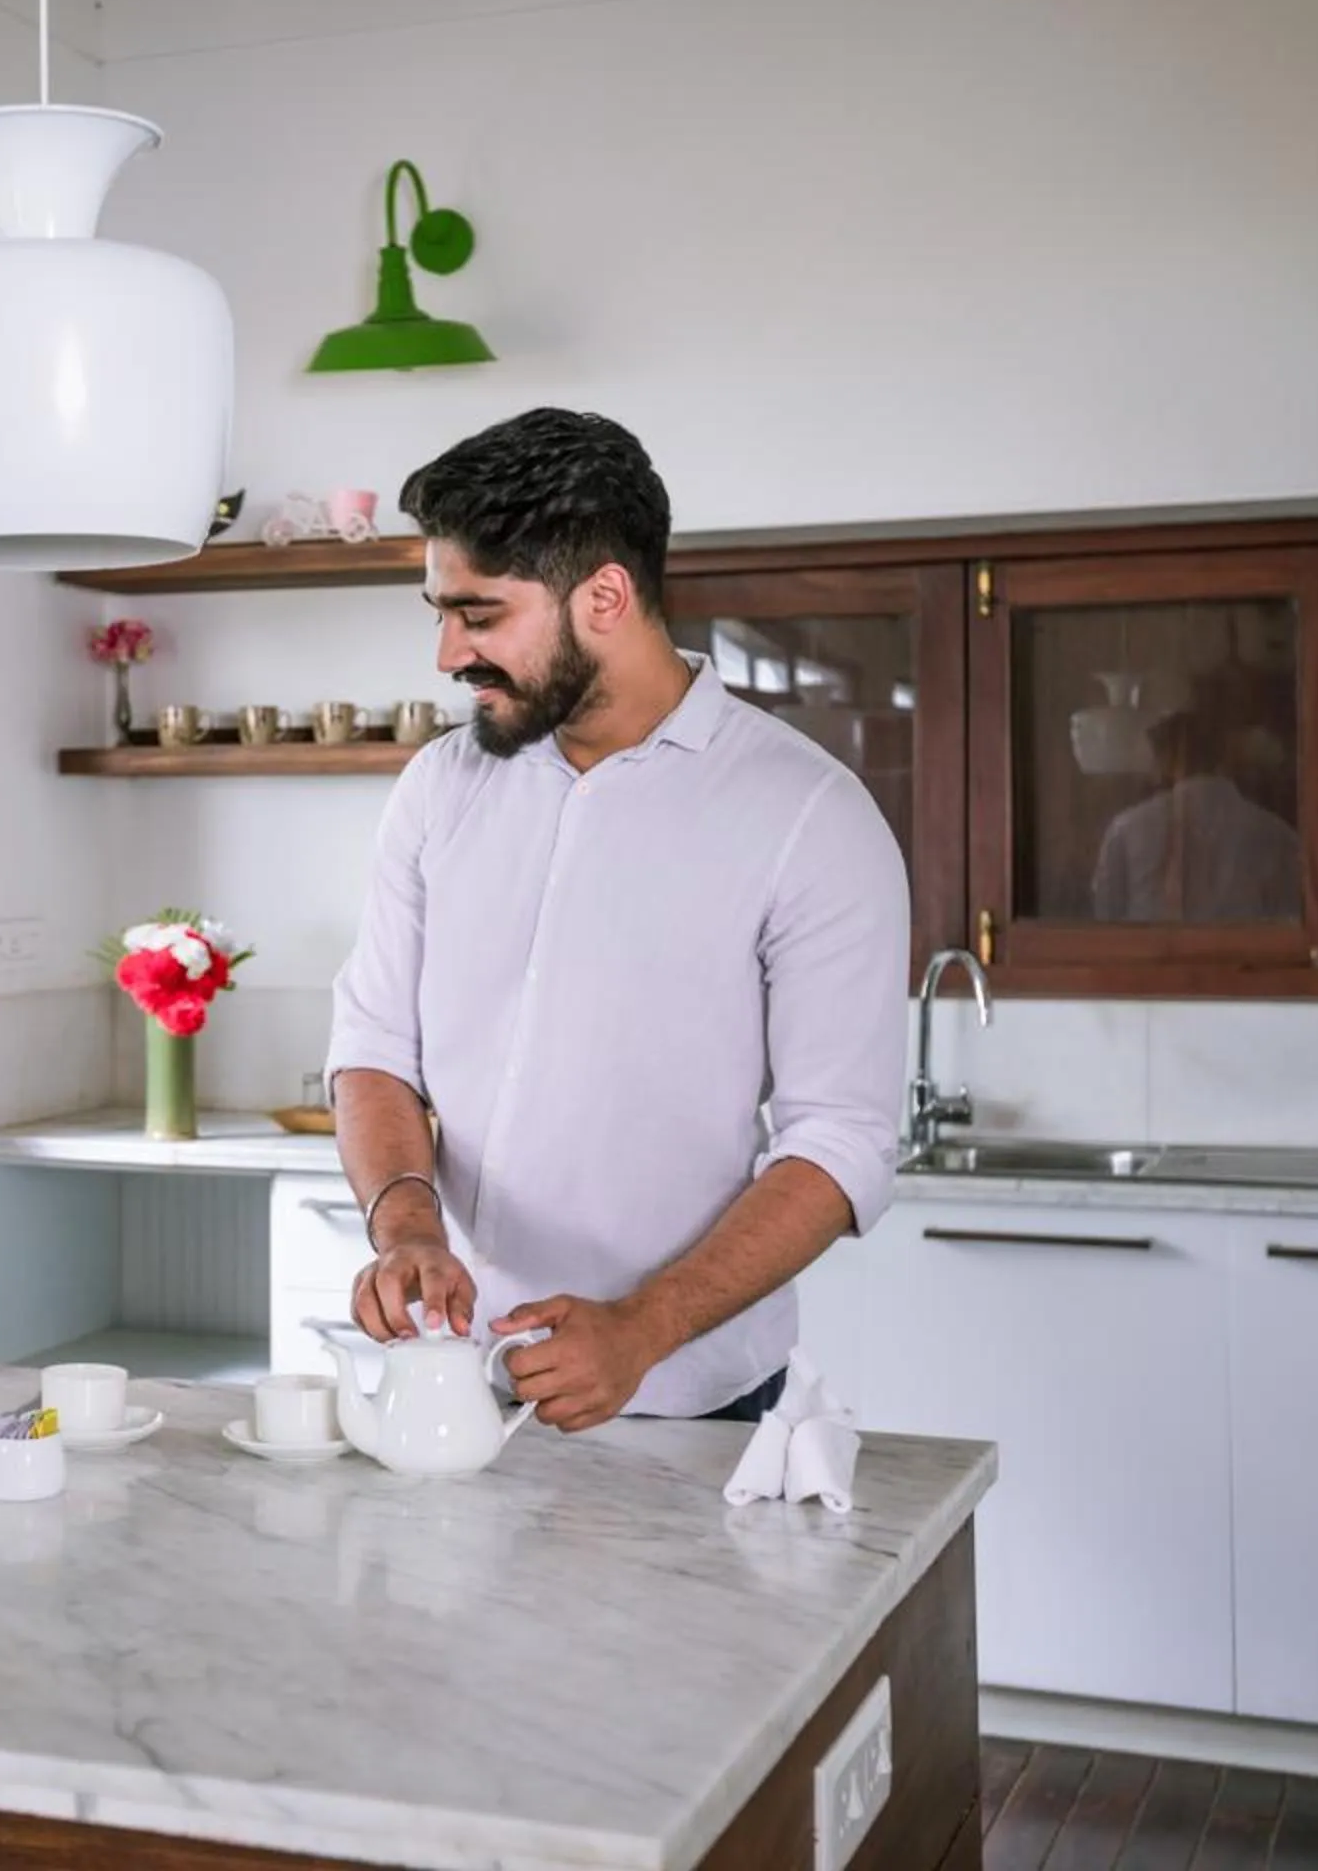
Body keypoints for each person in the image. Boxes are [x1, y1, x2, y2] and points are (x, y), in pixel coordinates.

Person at [329, 409, 909, 1430]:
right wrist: (407, 1227)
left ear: (604, 595)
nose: (444, 651)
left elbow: (843, 1138)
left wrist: (644, 1326)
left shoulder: (808, 814)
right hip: (450, 1376)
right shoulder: (437, 789)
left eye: (479, 614)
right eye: (439, 609)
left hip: (690, 1398)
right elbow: (376, 1047)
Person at [1089, 707, 1303, 923]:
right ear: (1227, 756)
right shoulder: (1276, 835)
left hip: (1143, 954)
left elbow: (1107, 919)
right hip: (1249, 955)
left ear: (1163, 761)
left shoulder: (1126, 829)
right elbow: (1291, 920)